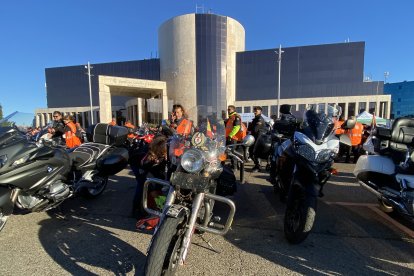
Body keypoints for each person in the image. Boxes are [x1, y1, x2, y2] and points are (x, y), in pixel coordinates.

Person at [248, 106, 266, 172]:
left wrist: (251, 129)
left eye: (257, 110)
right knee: (251, 152)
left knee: (255, 152)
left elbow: (255, 129)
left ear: (260, 111)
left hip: (258, 137)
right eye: (254, 110)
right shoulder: (255, 119)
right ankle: (257, 165)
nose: (255, 111)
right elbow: (250, 129)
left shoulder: (260, 119)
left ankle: (258, 167)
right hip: (254, 137)